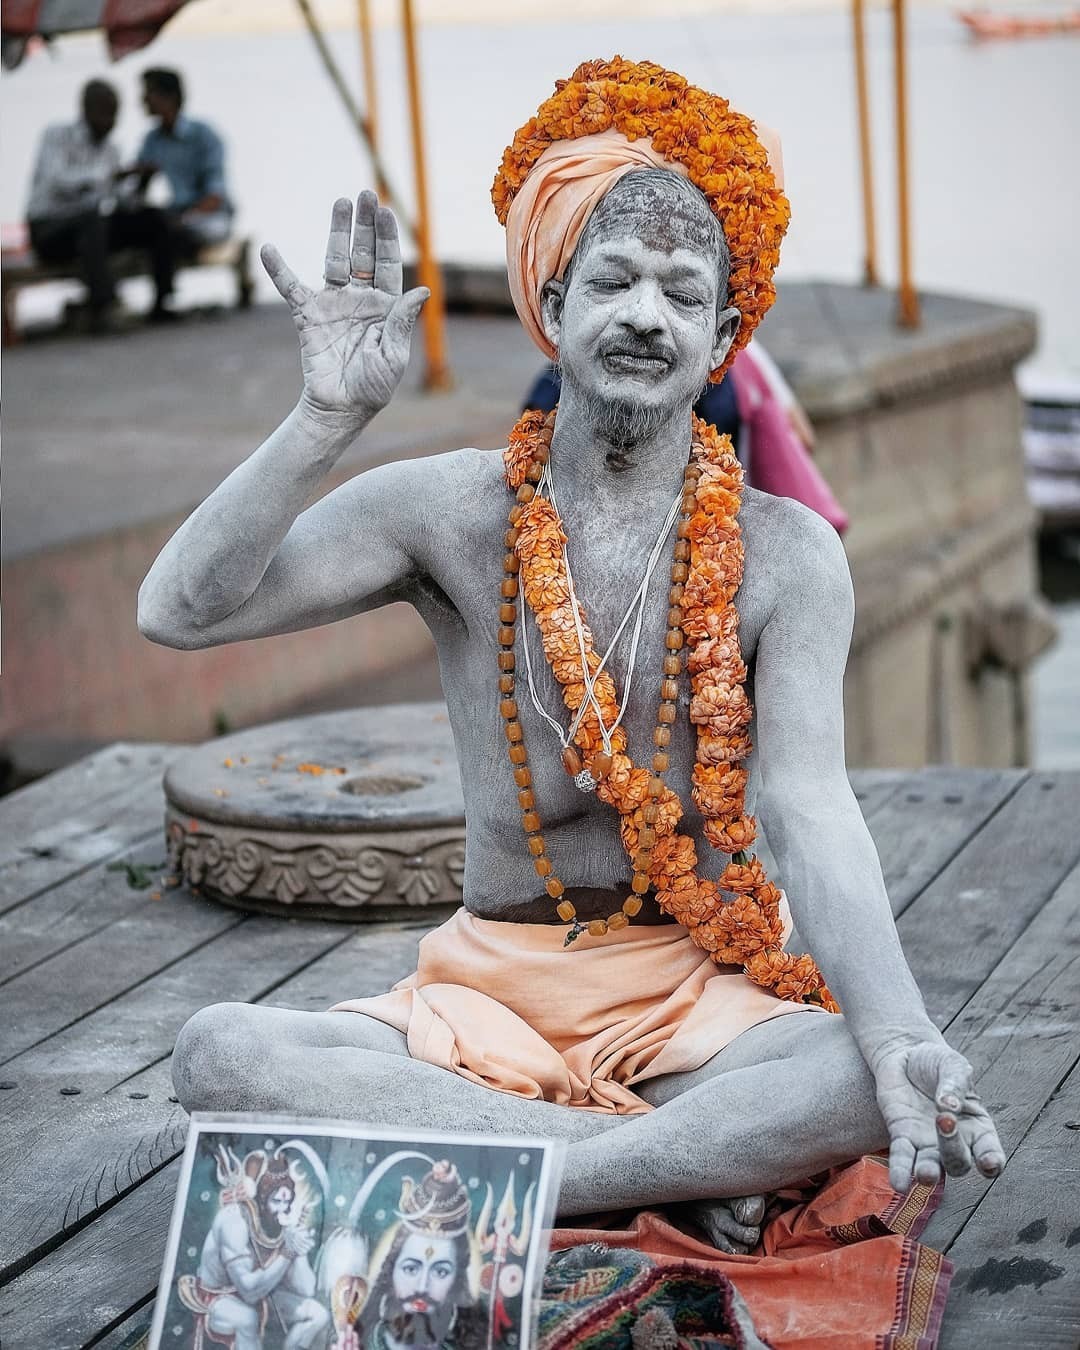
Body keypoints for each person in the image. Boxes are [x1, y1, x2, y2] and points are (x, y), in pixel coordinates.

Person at [141, 58, 1004, 1272]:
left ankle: (520, 1171)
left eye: (681, 293)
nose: (645, 314)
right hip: (481, 993)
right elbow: (179, 611)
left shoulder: (787, 555)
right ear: (553, 299)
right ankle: (650, 1169)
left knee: (869, 1078)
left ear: (720, 342)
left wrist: (901, 1025)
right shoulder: (447, 510)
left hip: (701, 1003)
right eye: (613, 279)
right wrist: (323, 423)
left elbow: (811, 808)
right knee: (219, 1055)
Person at [25, 79, 178, 332]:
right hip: (49, 229)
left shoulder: (111, 149)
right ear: (86, 110)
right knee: (91, 219)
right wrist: (108, 176)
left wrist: (140, 182)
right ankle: (104, 306)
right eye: (106, 113)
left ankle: (164, 301)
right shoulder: (57, 136)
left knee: (152, 218)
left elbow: (122, 200)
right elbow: (57, 181)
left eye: (114, 115)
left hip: (91, 230)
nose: (111, 122)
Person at [133, 66, 233, 249]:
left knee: (175, 233)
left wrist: (184, 218)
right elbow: (135, 193)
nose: (143, 100)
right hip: (176, 216)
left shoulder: (203, 135)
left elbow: (215, 195)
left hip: (208, 218)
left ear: (169, 97)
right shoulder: (153, 141)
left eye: (149, 93)